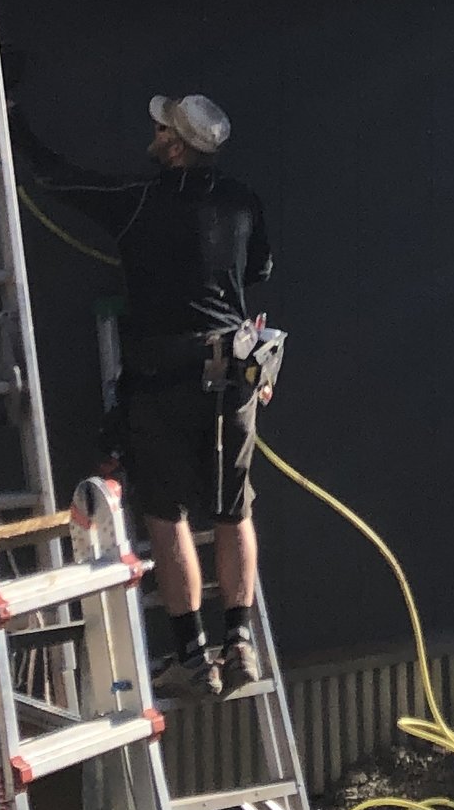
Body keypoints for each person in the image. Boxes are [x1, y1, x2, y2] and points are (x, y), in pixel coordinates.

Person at [15, 86, 276, 700]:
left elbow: (59, 177)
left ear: (177, 147)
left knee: (166, 513)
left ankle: (193, 656)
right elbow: (258, 270)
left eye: (163, 131)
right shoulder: (243, 200)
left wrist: (13, 117)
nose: (154, 137)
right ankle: (240, 644)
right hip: (234, 371)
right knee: (233, 510)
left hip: (164, 376)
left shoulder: (138, 199)